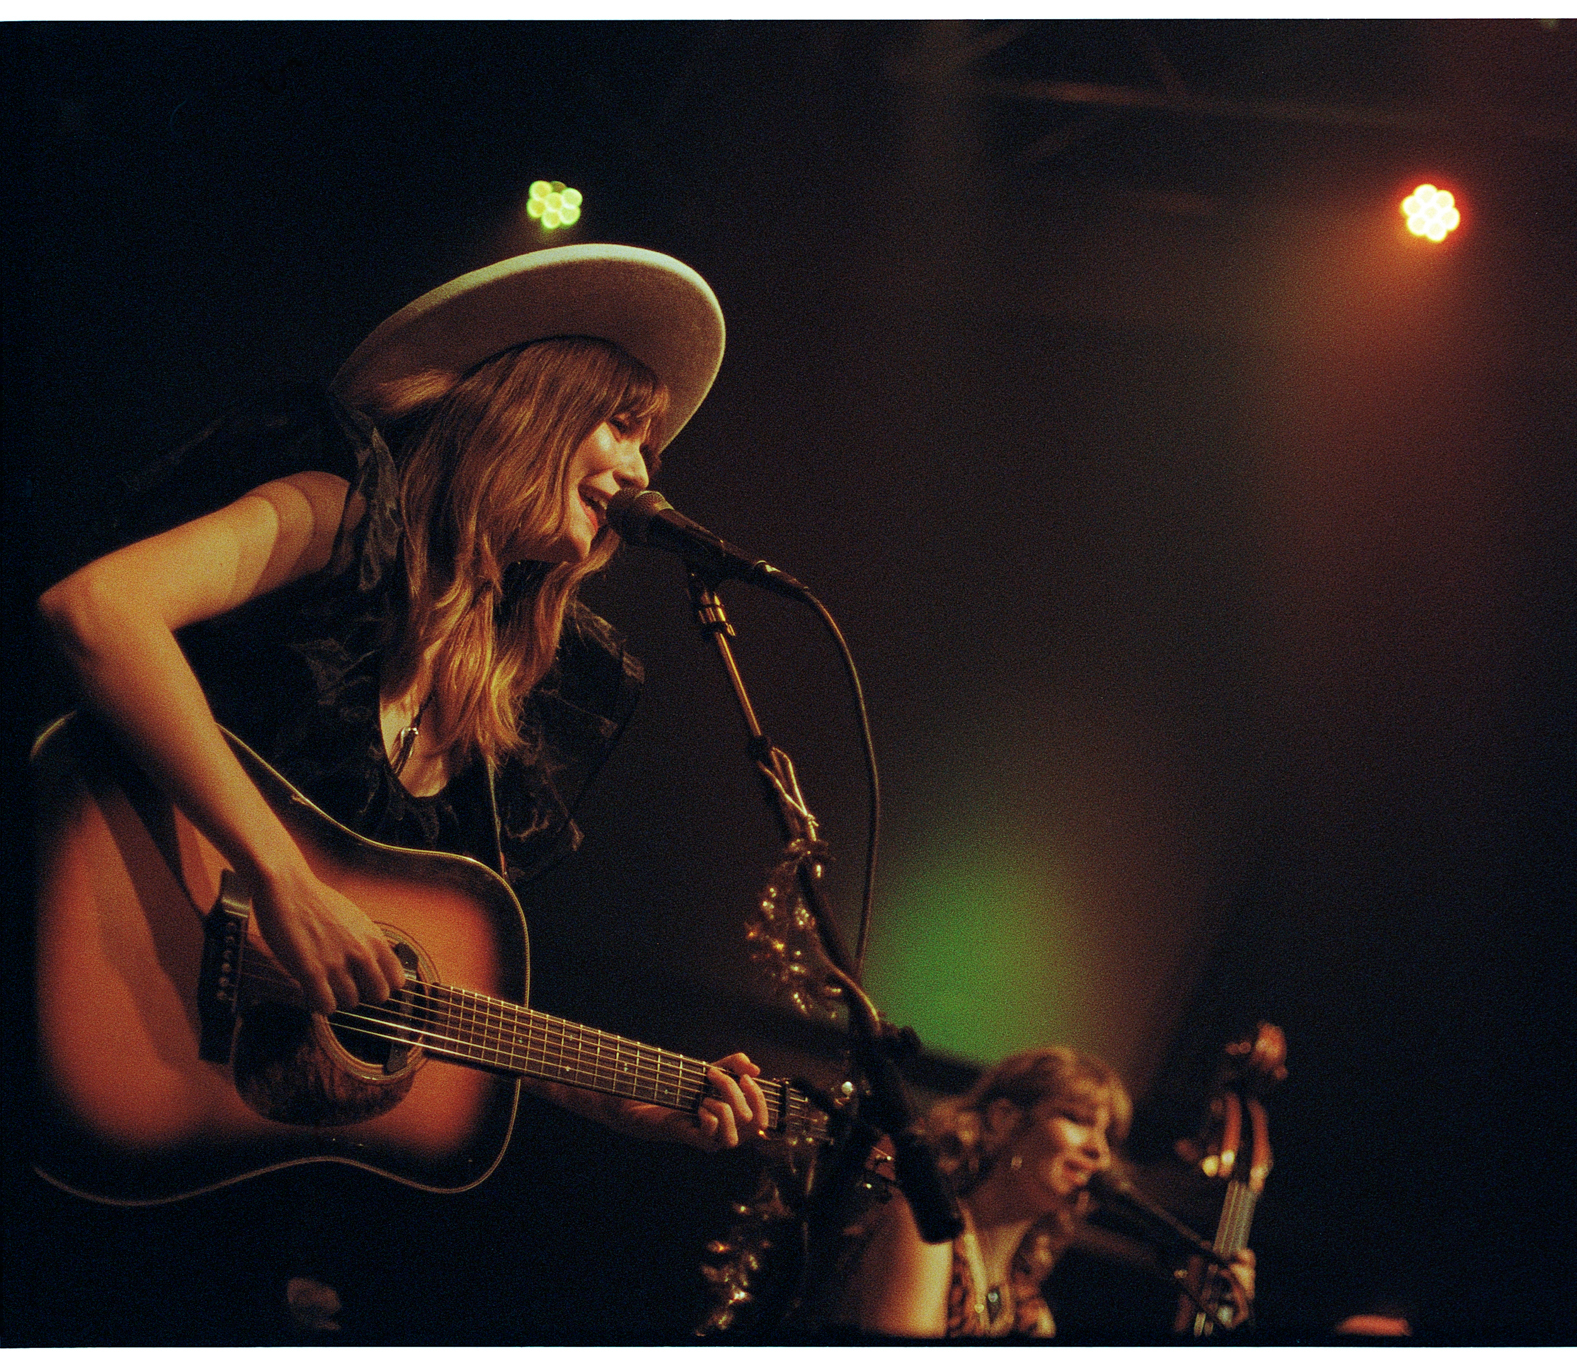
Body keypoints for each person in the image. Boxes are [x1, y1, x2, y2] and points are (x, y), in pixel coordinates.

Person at [37, 243, 768, 1151]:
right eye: (621, 425)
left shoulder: (500, 686)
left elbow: (408, 993)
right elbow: (97, 610)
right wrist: (283, 878)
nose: (640, 473)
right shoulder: (333, 514)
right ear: (529, 410)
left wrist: (617, 1100)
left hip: (198, 1117)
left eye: (648, 446)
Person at [824, 1046, 1254, 1338]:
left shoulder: (1026, 1309)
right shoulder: (926, 1227)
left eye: (1108, 1135)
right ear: (1003, 1120)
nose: (1098, 1151)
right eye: (1076, 1119)